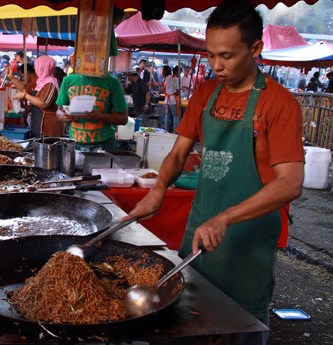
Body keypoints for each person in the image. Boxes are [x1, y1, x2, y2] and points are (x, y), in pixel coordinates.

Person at [122, 1, 304, 343]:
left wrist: (226, 219)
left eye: (227, 56)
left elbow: (290, 183)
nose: (216, 65)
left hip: (247, 244)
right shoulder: (206, 93)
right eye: (210, 55)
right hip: (200, 234)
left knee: (239, 328)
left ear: (255, 48)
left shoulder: (279, 104)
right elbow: (178, 153)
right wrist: (159, 189)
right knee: (189, 320)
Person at [55, 72, 128, 151]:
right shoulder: (68, 80)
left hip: (104, 145)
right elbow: (59, 111)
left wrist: (100, 116)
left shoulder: (113, 82)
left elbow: (123, 119)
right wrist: (64, 116)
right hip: (74, 144)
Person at [12, 55, 63, 138]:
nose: (35, 68)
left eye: (36, 66)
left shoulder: (50, 83)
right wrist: (11, 77)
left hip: (48, 129)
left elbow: (43, 103)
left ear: (43, 67)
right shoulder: (41, 81)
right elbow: (26, 89)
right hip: (38, 125)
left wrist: (25, 95)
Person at [162, 65, 180, 133]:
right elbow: (178, 91)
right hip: (173, 101)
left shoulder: (167, 78)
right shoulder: (176, 79)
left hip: (167, 100)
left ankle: (166, 131)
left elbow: (164, 87)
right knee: (175, 116)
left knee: (167, 116)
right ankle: (175, 132)